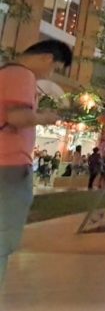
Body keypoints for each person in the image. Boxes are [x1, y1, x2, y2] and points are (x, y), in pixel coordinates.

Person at [0, 39, 71, 283]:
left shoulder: (6, 72)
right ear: (47, 58)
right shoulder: (22, 75)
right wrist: (44, 118)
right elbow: (18, 117)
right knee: (3, 236)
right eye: (54, 69)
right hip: (10, 166)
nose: (49, 75)